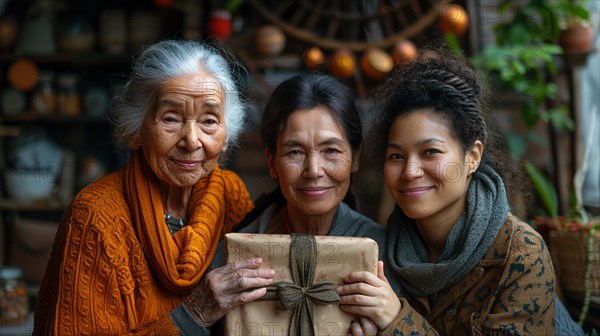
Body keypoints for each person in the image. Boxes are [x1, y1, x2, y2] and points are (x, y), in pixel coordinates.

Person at [33, 40, 274, 335]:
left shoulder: (230, 194)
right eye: (170, 119)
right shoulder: (96, 217)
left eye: (209, 121)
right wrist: (194, 314)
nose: (192, 140)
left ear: (225, 137)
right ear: (136, 131)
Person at [337, 45, 582, 335]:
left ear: (472, 156)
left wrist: (397, 321)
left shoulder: (519, 253)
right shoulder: (379, 254)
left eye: (430, 152)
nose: (410, 171)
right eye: (396, 156)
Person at [203, 73, 387, 334]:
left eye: (331, 151)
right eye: (295, 152)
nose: (313, 170)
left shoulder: (385, 252)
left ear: (355, 158)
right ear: (271, 162)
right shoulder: (234, 258)